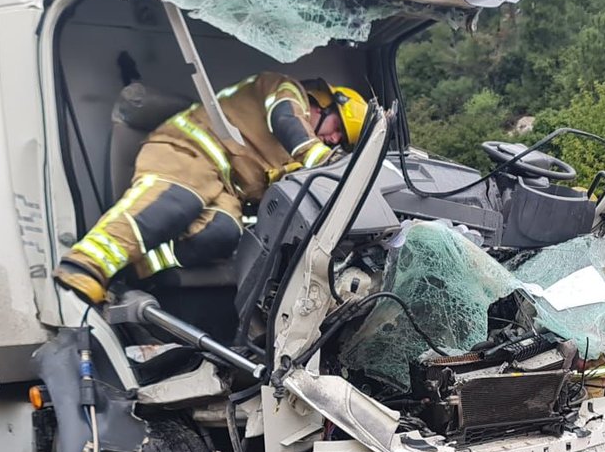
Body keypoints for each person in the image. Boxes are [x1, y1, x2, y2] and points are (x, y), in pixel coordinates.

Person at [53, 73, 369, 305]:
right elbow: (284, 119)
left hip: (225, 189)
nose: (334, 140)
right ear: (322, 103)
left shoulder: (293, 161)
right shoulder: (286, 89)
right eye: (337, 128)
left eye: (342, 141)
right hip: (188, 150)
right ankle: (83, 265)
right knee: (178, 201)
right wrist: (324, 160)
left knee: (221, 233)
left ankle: (135, 267)